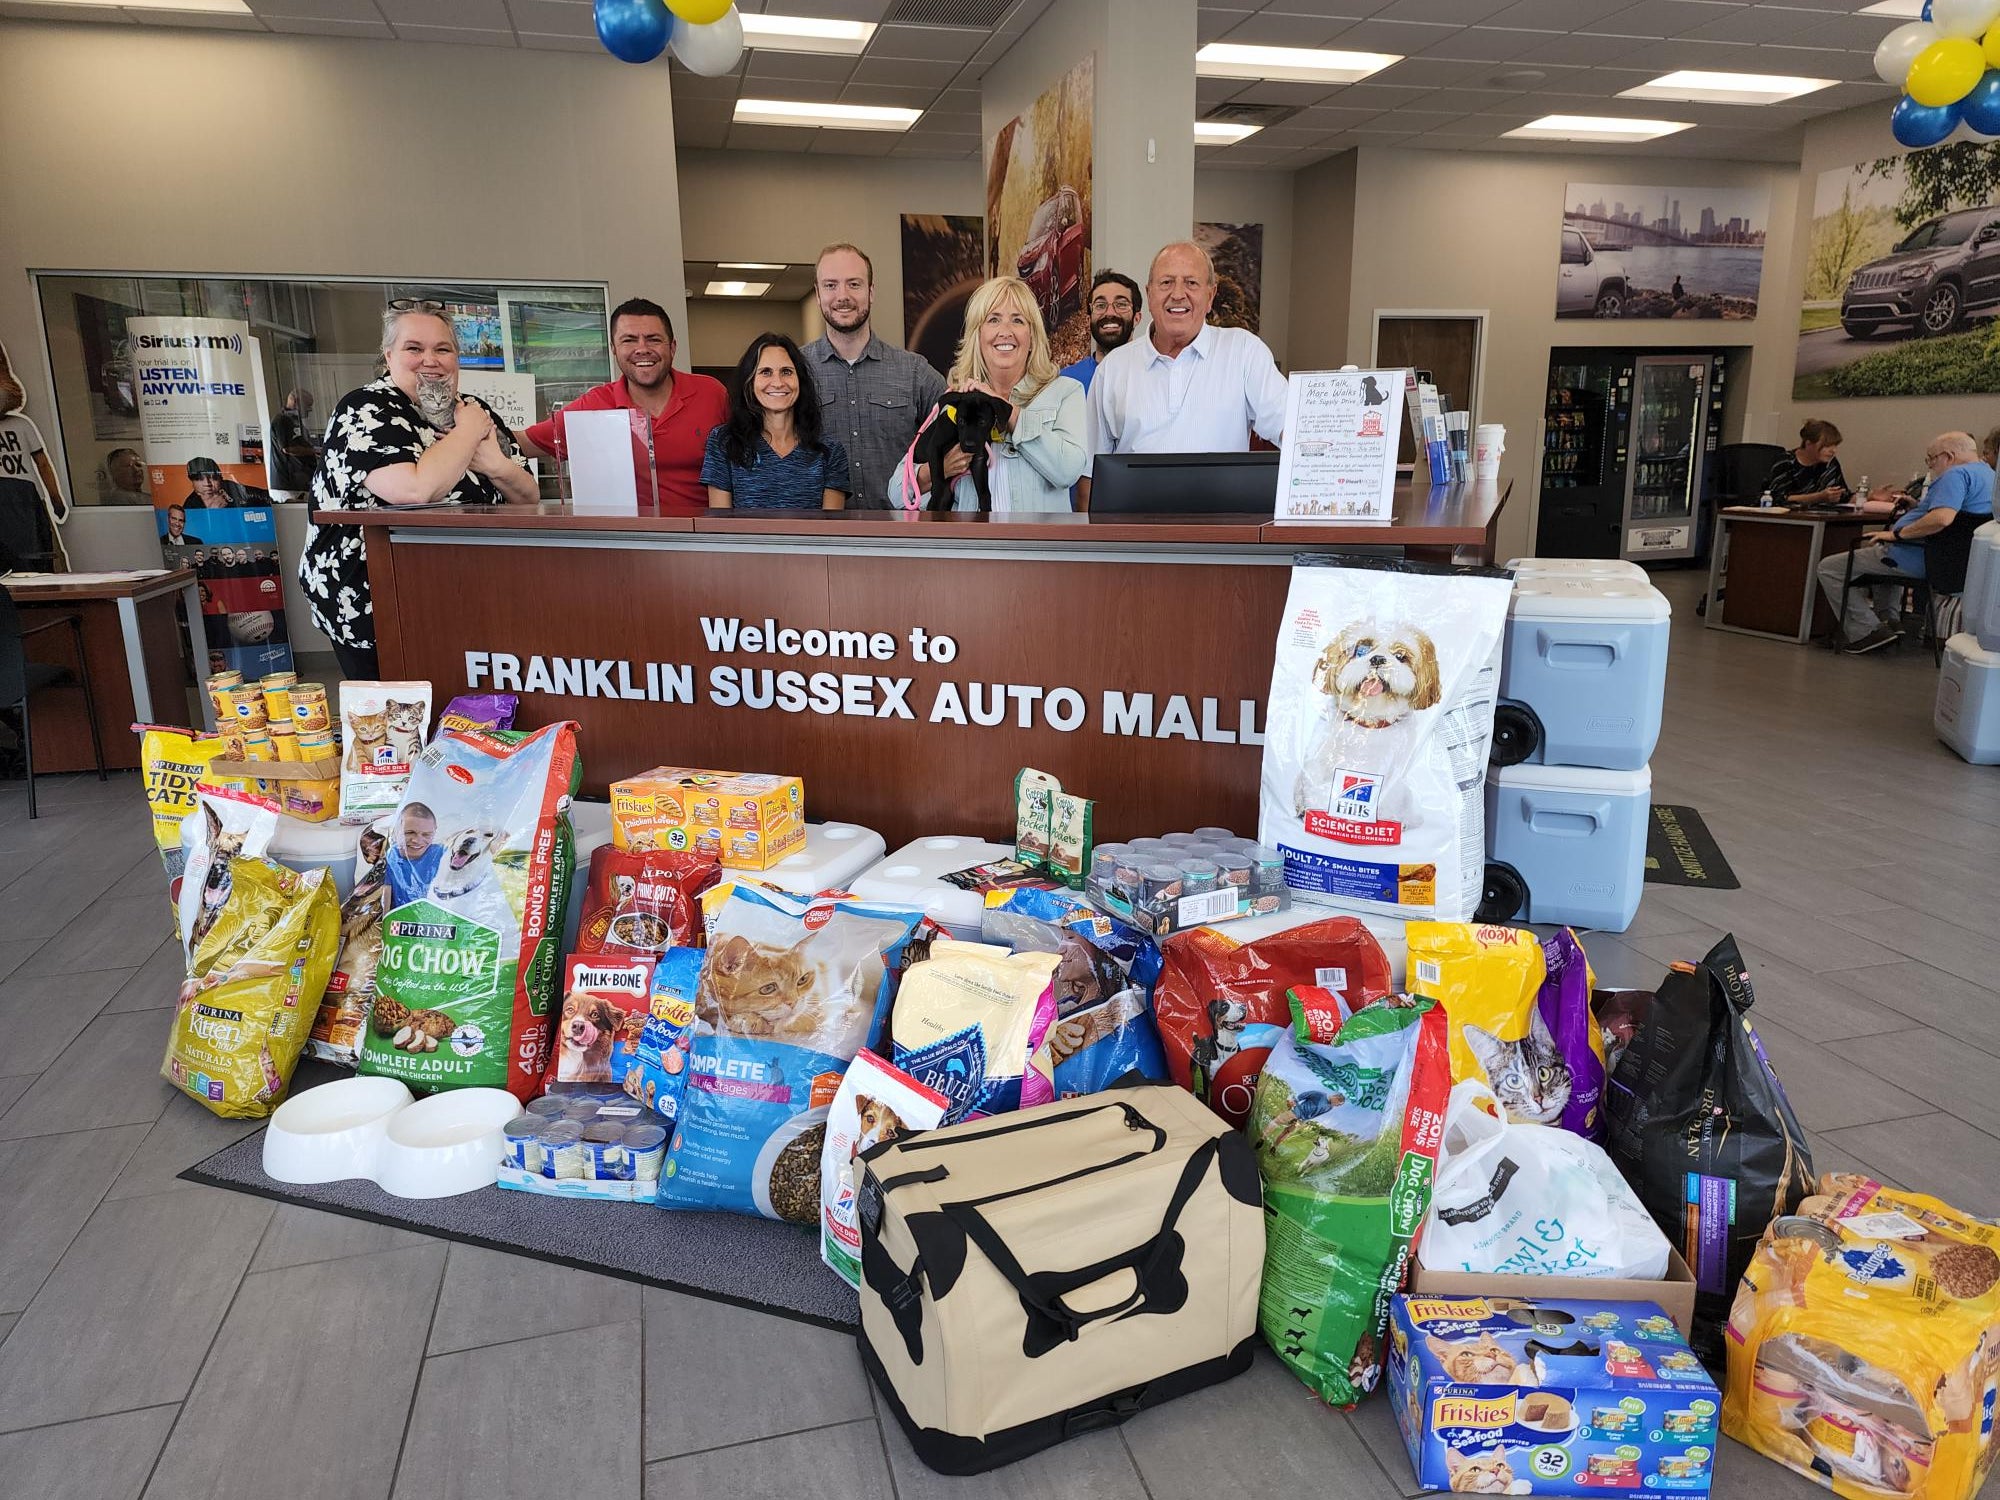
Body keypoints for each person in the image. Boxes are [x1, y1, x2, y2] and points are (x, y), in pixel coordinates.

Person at [298, 303, 537, 680]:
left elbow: (527, 496)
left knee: (464, 723)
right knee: (399, 724)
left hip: (464, 600)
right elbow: (413, 490)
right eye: (414, 348)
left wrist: (494, 465)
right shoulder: (365, 409)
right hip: (375, 603)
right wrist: (468, 434)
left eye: (443, 349)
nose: (431, 360)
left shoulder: (472, 408)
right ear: (389, 355)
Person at [1082, 241, 1287, 505]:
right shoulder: (1112, 368)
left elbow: (1290, 430)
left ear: (1210, 296)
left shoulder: (1244, 351)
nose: (1178, 294)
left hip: (1224, 534)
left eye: (1191, 283)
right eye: (1166, 283)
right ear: (1149, 293)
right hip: (1135, 536)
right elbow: (1089, 474)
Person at [888, 276, 1086, 512]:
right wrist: (939, 468)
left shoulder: (1065, 392)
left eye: (1018, 320)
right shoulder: (959, 399)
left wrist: (1005, 411)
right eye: (993, 319)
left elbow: (1068, 471)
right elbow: (897, 492)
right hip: (970, 547)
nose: (1005, 331)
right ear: (978, 337)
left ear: (1032, 337)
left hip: (1037, 547)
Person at [518, 298, 726, 515]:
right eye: (629, 340)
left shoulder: (711, 393)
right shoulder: (593, 407)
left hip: (702, 540)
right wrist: (480, 418)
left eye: (653, 339)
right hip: (628, 541)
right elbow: (520, 443)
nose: (642, 349)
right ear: (614, 349)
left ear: (672, 347)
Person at [1817, 430, 1994, 653]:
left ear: (1948, 456)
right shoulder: (1989, 475)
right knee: (1881, 560)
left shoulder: (1955, 475)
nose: (1931, 466)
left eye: (1931, 459)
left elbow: (1942, 518)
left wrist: (1897, 535)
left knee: (1829, 567)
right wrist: (1916, 508)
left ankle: (1866, 632)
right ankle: (1890, 622)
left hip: (1918, 556)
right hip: (1952, 561)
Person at [801, 243, 946, 510]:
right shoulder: (794, 372)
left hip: (900, 538)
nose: (842, 295)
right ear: (818, 294)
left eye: (854, 284)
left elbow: (953, 436)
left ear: (871, 292)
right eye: (831, 285)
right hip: (822, 540)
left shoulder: (915, 373)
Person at [702, 333, 849, 512]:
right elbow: (720, 527)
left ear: (800, 381)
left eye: (786, 372)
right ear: (750, 382)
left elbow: (831, 531)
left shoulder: (830, 451)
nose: (778, 383)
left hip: (810, 541)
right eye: (766, 372)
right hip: (743, 541)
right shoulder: (724, 442)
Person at [1059, 270, 1142, 392]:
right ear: (1088, 319)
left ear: (1137, 318)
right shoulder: (1065, 381)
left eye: (1121, 304)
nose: (1109, 313)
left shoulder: (1152, 377)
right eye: (1100, 305)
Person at [1766, 419, 1847, 505]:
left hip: (1824, 515)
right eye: (1827, 446)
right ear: (1808, 444)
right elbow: (1776, 498)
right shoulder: (1786, 462)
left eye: (1835, 445)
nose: (1833, 451)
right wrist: (1818, 497)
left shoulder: (1831, 464)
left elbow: (1843, 495)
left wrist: (1855, 497)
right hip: (1791, 516)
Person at [386, 802, 442, 906]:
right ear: (398, 829)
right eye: (410, 833)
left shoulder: (441, 853)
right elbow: (386, 895)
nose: (417, 840)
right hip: (401, 918)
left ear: (434, 832)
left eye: (426, 834)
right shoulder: (392, 855)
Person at [271, 389, 321, 490]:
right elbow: (288, 448)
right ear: (296, 401)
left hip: (299, 480)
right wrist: (314, 451)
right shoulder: (282, 420)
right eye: (308, 406)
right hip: (289, 483)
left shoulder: (294, 421)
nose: (309, 410)